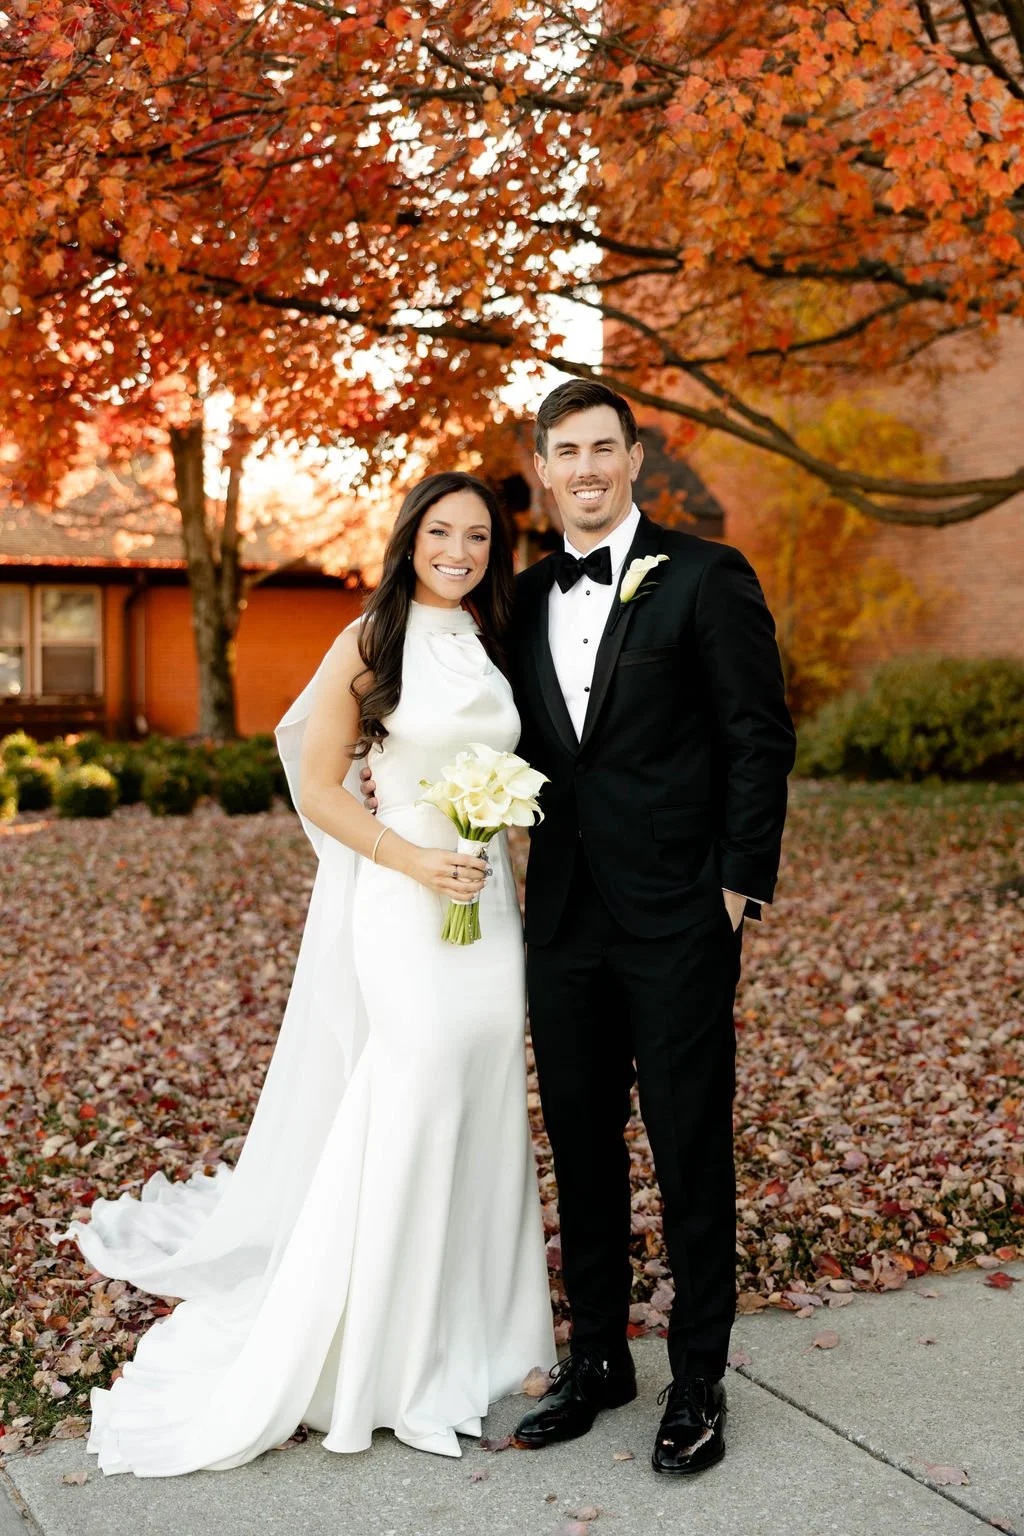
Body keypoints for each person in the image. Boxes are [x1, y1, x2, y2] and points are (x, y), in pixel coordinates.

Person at [59, 471, 555, 1476]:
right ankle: (380, 1357)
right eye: (441, 533)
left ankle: (488, 1336)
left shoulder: (489, 640)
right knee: (411, 1097)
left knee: (487, 1095)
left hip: (485, 904)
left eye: (477, 537)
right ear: (410, 538)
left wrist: (496, 821)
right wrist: (412, 857)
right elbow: (319, 782)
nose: (458, 551)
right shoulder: (370, 638)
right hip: (401, 893)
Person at [363, 380, 796, 1476]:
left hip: (679, 918)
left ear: (633, 458)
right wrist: (387, 782)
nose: (588, 469)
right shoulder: (512, 602)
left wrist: (740, 884)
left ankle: (698, 1375)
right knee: (583, 1145)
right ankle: (598, 1357)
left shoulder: (706, 576)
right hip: (555, 922)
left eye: (605, 448)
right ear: (544, 470)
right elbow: (441, 708)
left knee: (689, 1144)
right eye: (567, 452)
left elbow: (758, 734)